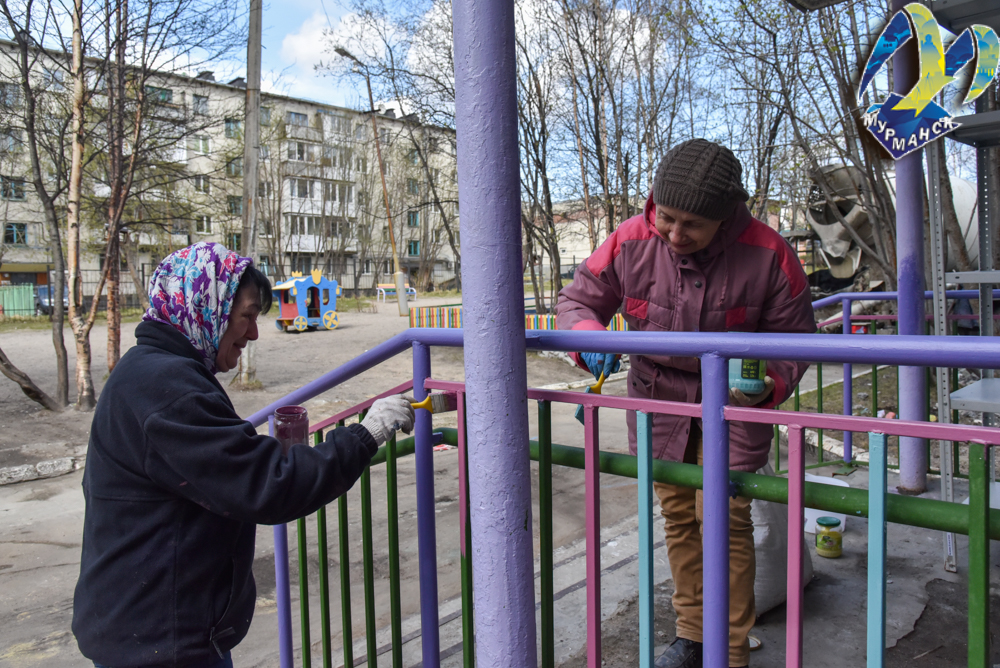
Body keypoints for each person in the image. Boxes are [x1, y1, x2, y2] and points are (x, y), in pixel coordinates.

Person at [72, 242, 414, 668]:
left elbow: (229, 466)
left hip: (152, 627)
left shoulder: (155, 370)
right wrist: (367, 433)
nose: (253, 334)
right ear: (205, 307)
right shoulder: (168, 390)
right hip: (161, 643)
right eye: (248, 316)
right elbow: (268, 485)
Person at [556, 139, 816, 668]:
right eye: (666, 217)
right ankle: (693, 636)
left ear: (725, 219)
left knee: (725, 522)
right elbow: (579, 300)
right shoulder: (631, 239)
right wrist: (590, 340)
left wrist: (769, 382)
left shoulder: (770, 254)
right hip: (659, 401)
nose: (674, 234)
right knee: (678, 517)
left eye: (691, 225)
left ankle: (729, 649)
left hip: (734, 406)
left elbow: (796, 340)